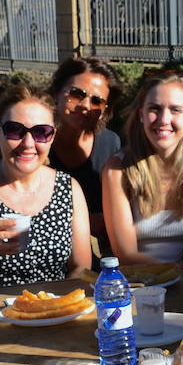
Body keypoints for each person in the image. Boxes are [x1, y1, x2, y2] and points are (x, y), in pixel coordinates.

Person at [0, 84, 92, 292]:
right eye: (15, 130)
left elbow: (81, 268)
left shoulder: (68, 188)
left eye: (41, 132)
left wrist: (54, 305)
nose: (28, 143)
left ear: (52, 136)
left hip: (52, 314)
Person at [101, 71, 183, 263]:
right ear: (141, 114)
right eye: (155, 109)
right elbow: (125, 255)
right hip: (138, 283)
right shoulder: (117, 170)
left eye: (175, 110)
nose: (163, 119)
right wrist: (172, 277)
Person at [45, 56, 123, 251]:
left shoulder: (110, 144)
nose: (86, 106)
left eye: (97, 101)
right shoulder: (34, 143)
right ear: (56, 93)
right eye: (76, 94)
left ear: (105, 111)